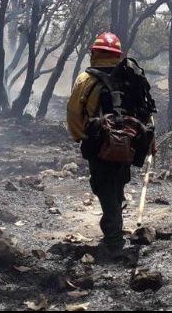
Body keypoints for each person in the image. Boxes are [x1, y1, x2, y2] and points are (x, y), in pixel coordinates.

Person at [66, 32, 156, 259]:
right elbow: (146, 111)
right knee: (117, 182)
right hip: (130, 142)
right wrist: (148, 141)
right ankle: (116, 220)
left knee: (103, 186)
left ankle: (113, 239)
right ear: (118, 54)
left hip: (98, 143)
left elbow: (74, 112)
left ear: (94, 53)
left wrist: (80, 137)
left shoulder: (86, 80)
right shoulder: (131, 77)